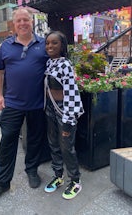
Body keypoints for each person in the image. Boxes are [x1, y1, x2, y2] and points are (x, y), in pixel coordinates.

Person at [0, 7, 49, 204]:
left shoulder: (43, 44)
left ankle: (32, 170)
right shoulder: (6, 46)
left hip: (38, 104)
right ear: (14, 24)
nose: (22, 23)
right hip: (12, 104)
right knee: (8, 141)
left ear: (32, 22)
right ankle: (2, 182)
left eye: (26, 20)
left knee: (35, 139)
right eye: (19, 20)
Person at [44, 31, 84, 200]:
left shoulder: (65, 65)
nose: (50, 46)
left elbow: (72, 93)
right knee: (53, 144)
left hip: (64, 110)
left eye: (54, 43)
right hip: (50, 110)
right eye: (47, 43)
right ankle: (58, 176)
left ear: (62, 46)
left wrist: (68, 118)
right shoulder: (49, 62)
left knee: (66, 146)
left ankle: (75, 181)